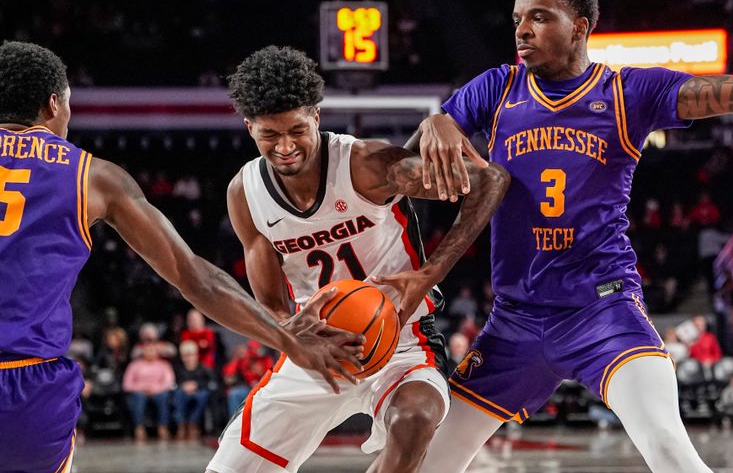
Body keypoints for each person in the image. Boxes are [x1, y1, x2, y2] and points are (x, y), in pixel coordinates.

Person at [410, 0, 733, 473]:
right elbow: (424, 148)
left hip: (603, 312)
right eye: (516, 19)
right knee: (422, 464)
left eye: (540, 17)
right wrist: (436, 120)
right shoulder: (497, 88)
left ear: (580, 26)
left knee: (669, 450)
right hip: (514, 322)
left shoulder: (628, 93)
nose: (522, 30)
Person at [0, 41, 363, 473]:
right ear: (53, 104)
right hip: (25, 386)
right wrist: (287, 338)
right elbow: (195, 278)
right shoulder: (92, 177)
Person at [206, 46, 509, 473]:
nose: (286, 146)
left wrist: (427, 275)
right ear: (249, 127)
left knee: (416, 416)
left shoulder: (366, 165)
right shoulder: (246, 194)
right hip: (316, 345)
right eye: (270, 135)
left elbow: (489, 181)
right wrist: (290, 333)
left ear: (315, 116)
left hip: (402, 340)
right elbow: (272, 304)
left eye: (296, 129)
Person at [122, 341, 176, 441]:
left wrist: (156, 389)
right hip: (139, 392)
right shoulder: (134, 365)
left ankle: (163, 427)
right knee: (138, 398)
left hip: (158, 391)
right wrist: (141, 388)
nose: (150, 352)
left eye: (152, 350)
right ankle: (139, 427)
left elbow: (169, 382)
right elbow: (127, 384)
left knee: (164, 396)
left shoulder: (164, 365)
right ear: (143, 351)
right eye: (147, 350)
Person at [173, 340, 214, 440]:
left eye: (191, 354)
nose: (189, 358)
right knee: (177, 394)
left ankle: (193, 423)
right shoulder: (178, 369)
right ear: (182, 357)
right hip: (182, 392)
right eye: (185, 355)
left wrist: (196, 385)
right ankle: (181, 425)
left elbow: (210, 383)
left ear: (196, 355)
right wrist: (183, 386)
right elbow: (173, 382)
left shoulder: (204, 368)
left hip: (199, 391)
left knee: (203, 395)